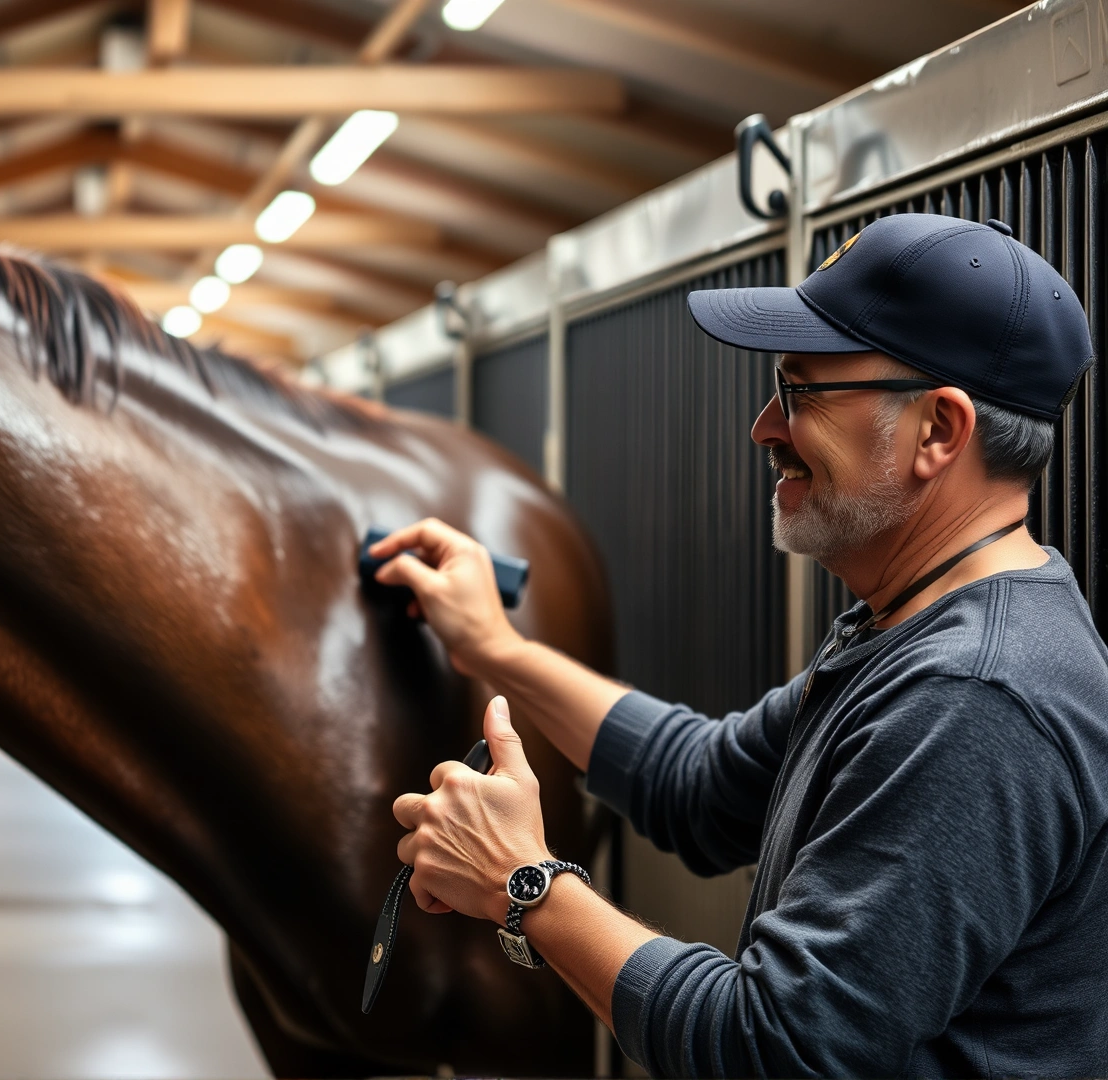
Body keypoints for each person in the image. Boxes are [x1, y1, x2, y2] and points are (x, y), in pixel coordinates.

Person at [374, 213, 1108, 1076]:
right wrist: (493, 646)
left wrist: (522, 883)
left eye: (802, 393)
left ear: (938, 431)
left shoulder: (974, 696)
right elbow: (702, 783)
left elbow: (773, 1050)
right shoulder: (910, 628)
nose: (764, 426)